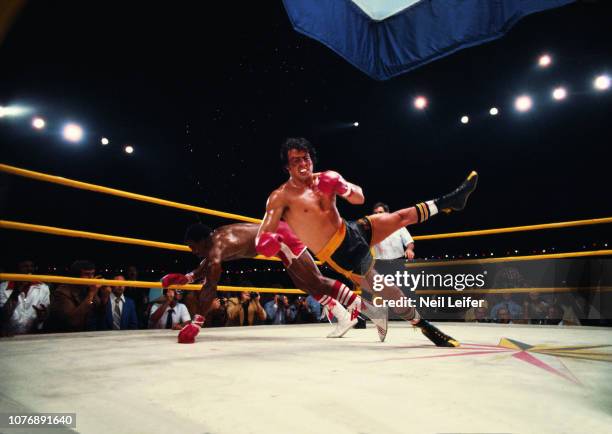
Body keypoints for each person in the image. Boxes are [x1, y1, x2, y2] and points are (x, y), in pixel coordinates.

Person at [256, 137, 478, 347]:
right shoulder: (280, 197)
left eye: (306, 158)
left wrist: (343, 188)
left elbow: (360, 197)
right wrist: (267, 242)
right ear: (287, 167)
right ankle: (423, 326)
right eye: (296, 161)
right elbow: (262, 236)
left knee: (399, 218)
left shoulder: (326, 176)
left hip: (351, 229)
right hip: (341, 252)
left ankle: (451, 201)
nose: (303, 164)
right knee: (386, 288)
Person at [162, 221, 388, 339]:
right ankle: (342, 316)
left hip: (283, 238)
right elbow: (207, 265)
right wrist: (189, 276)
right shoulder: (215, 239)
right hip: (277, 239)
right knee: (303, 284)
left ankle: (368, 309)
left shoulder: (216, 249)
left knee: (316, 281)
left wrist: (196, 323)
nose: (193, 252)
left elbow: (211, 285)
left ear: (201, 241)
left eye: (193, 247)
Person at [46, 260, 104, 333]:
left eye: (92, 274)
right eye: (87, 274)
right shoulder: (62, 292)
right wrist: (91, 294)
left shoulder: (89, 288)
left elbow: (97, 313)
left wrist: (105, 297)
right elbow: (72, 322)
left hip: (86, 335)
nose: (91, 278)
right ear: (76, 275)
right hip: (65, 336)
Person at [0, 259, 50, 336]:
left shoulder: (43, 288)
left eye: (31, 266)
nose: (29, 269)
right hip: (7, 337)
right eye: (25, 266)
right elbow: (3, 317)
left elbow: (43, 319)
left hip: (33, 336)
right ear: (17, 269)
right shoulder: (3, 287)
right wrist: (15, 294)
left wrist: (42, 317)